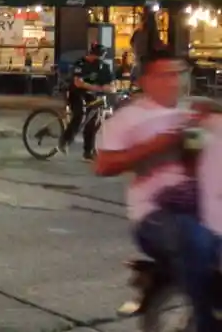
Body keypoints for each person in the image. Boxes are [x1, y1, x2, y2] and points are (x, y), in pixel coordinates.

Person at [96, 50, 219, 331]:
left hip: (201, 205)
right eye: (165, 75)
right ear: (147, 81)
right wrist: (161, 142)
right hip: (155, 214)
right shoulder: (129, 118)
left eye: (178, 74)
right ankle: (205, 324)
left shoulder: (190, 113)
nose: (174, 81)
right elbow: (103, 165)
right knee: (197, 239)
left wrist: (198, 141)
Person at [60, 42, 114, 160]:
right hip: (76, 93)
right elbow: (78, 83)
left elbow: (110, 86)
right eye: (94, 56)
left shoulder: (103, 67)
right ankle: (64, 141)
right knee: (80, 114)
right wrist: (97, 88)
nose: (96, 59)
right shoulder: (80, 64)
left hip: (91, 96)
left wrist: (105, 88)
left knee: (93, 121)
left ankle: (88, 151)